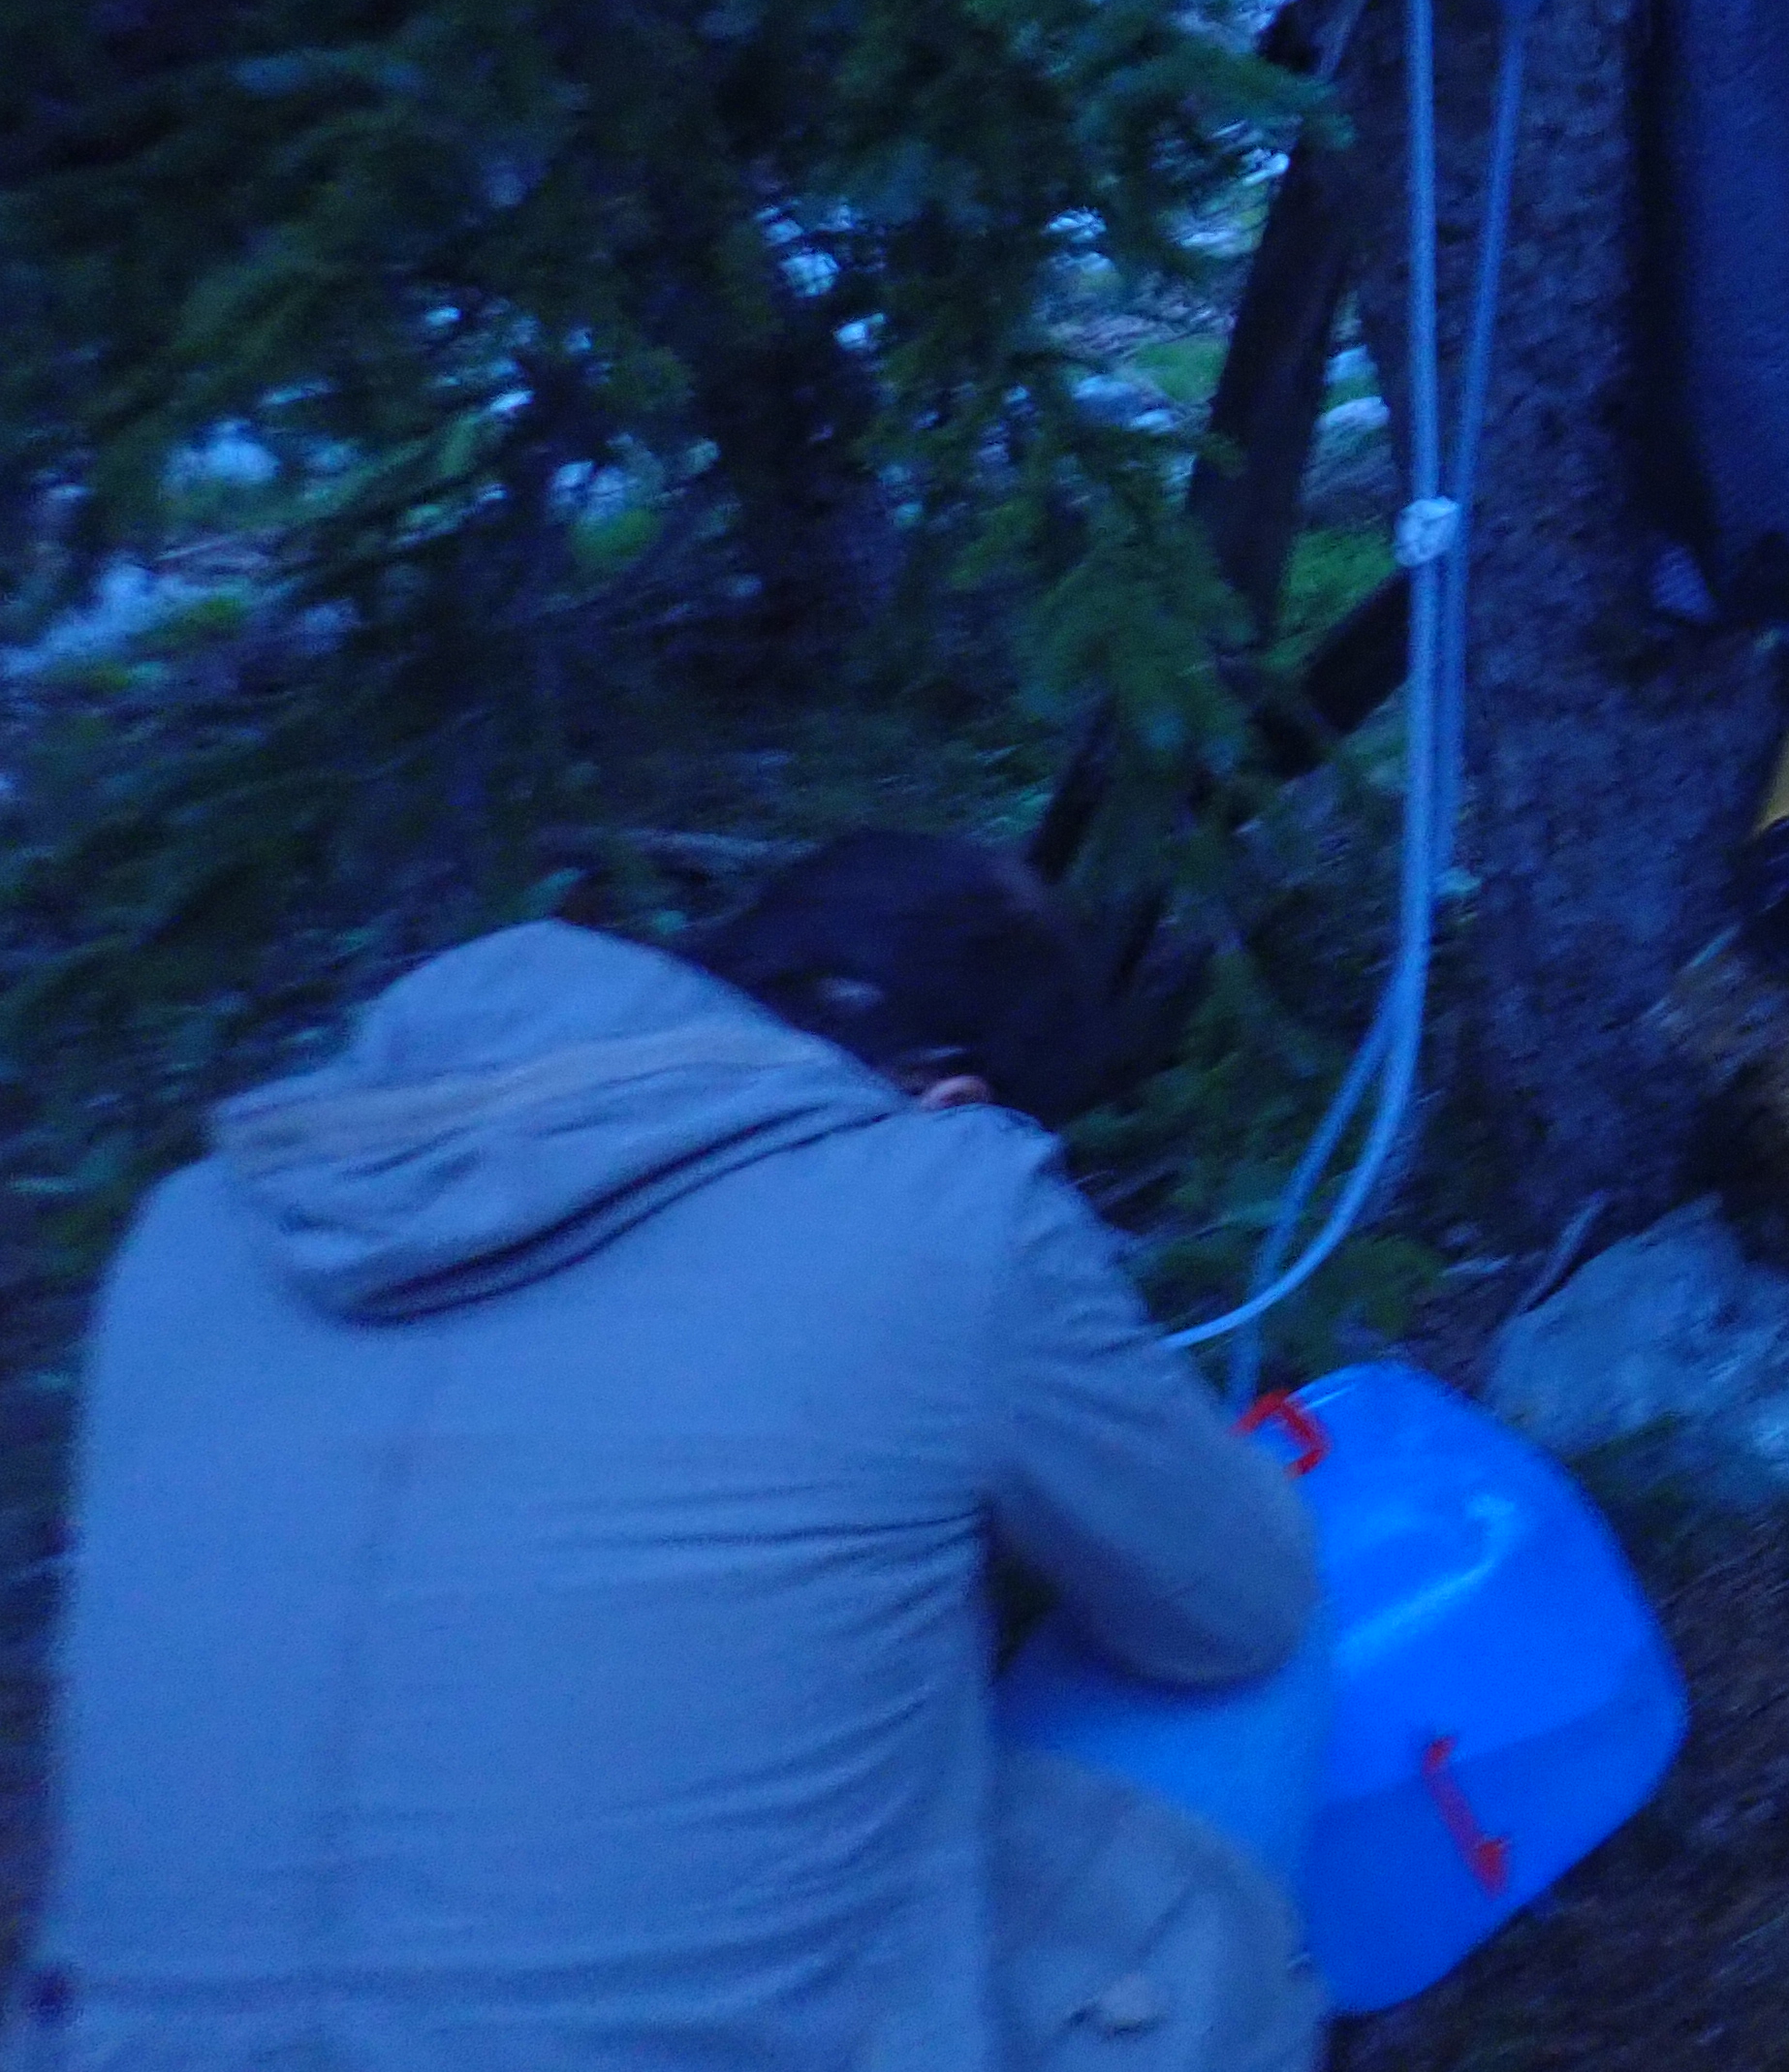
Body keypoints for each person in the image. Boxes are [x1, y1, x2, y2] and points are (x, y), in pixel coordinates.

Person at [14, 832, 1328, 2070]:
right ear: (956, 1096)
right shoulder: (945, 1204)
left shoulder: (190, 1232)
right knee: (1262, 1668)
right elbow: (1237, 1605)